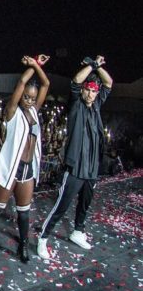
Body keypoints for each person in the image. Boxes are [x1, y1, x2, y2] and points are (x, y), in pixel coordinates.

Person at [0, 55, 50, 267]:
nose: (30, 101)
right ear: (20, 96)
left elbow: (46, 83)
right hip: (11, 168)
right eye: (26, 97)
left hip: (27, 170)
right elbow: (22, 82)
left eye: (33, 98)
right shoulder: (12, 113)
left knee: (24, 214)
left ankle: (23, 245)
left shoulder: (34, 111)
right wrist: (32, 65)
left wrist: (37, 66)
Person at [37, 56, 113, 258]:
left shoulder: (96, 106)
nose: (90, 93)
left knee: (85, 204)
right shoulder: (76, 104)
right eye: (88, 90)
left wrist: (100, 66)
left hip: (91, 168)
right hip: (74, 167)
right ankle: (43, 238)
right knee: (62, 205)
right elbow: (76, 81)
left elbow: (108, 82)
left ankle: (78, 232)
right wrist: (92, 65)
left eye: (93, 91)